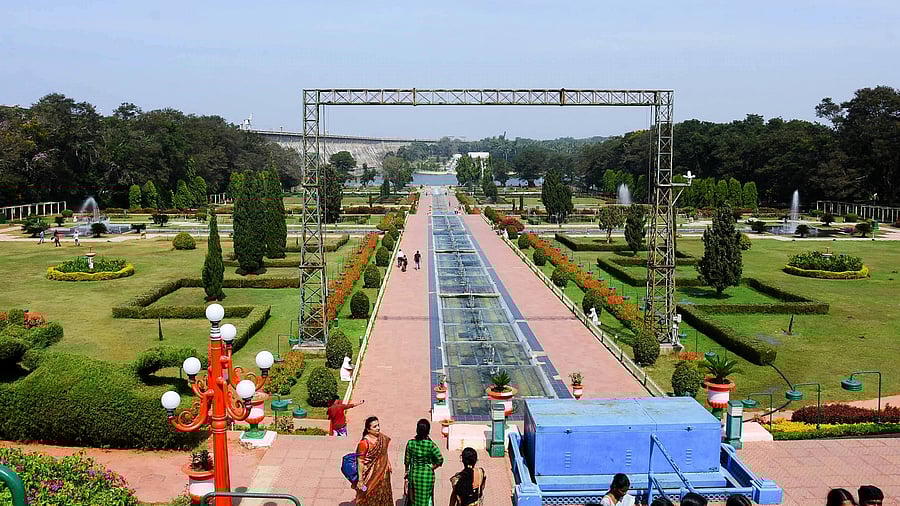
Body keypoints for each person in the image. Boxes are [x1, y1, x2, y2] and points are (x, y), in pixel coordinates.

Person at [404, 418, 443, 506]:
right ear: (428, 431)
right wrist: (433, 466)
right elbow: (440, 459)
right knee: (427, 498)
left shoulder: (411, 443)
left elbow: (407, 461)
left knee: (413, 498)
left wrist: (407, 472)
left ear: (417, 430)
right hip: (427, 476)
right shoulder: (431, 445)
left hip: (414, 475)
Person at [355, 416, 393, 505]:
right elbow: (360, 461)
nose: (378, 428)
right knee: (369, 495)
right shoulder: (364, 443)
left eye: (378, 425)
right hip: (370, 474)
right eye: (375, 426)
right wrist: (360, 480)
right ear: (368, 429)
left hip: (383, 473)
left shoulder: (381, 437)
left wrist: (388, 462)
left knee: (384, 494)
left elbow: (384, 452)